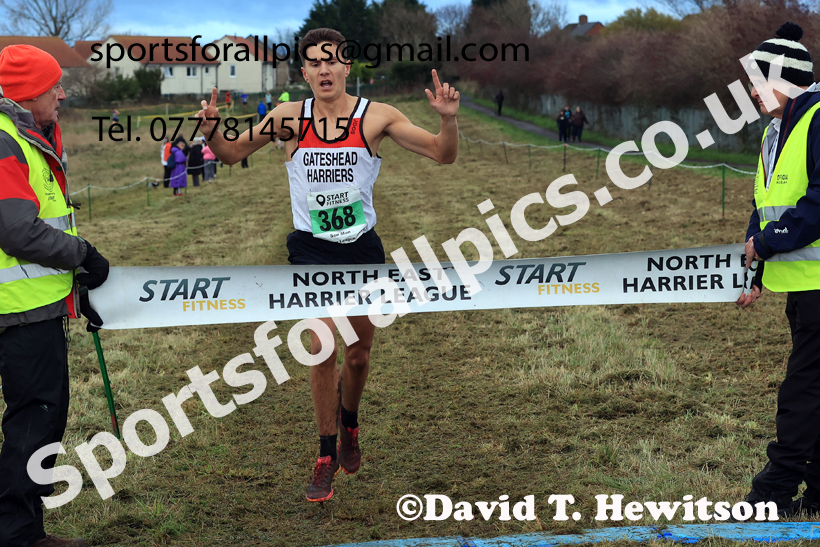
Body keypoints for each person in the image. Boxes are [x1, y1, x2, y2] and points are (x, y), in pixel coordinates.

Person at [195, 27, 459, 503]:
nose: (323, 69)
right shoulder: (289, 118)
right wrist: (213, 128)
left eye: (331, 60)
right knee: (319, 345)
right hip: (310, 249)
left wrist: (448, 122)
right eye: (314, 62)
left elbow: (443, 154)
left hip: (360, 250)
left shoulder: (376, 116)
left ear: (346, 66)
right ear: (303, 72)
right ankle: (323, 453)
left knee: (357, 356)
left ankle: (350, 425)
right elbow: (232, 154)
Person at [0, 44, 109, 547]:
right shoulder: (7, 142)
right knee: (34, 424)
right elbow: (18, 231)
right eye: (53, 86)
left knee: (33, 421)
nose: (63, 93)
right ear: (27, 95)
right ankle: (20, 536)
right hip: (19, 316)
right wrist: (82, 253)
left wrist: (72, 285)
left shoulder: (23, 136)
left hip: (30, 310)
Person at [736, 22, 820, 517]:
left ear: (784, 79)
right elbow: (763, 204)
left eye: (756, 78)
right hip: (802, 287)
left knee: (801, 393)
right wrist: (755, 271)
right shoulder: (774, 131)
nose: (750, 89)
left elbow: (815, 205)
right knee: (813, 390)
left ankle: (775, 490)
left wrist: (767, 244)